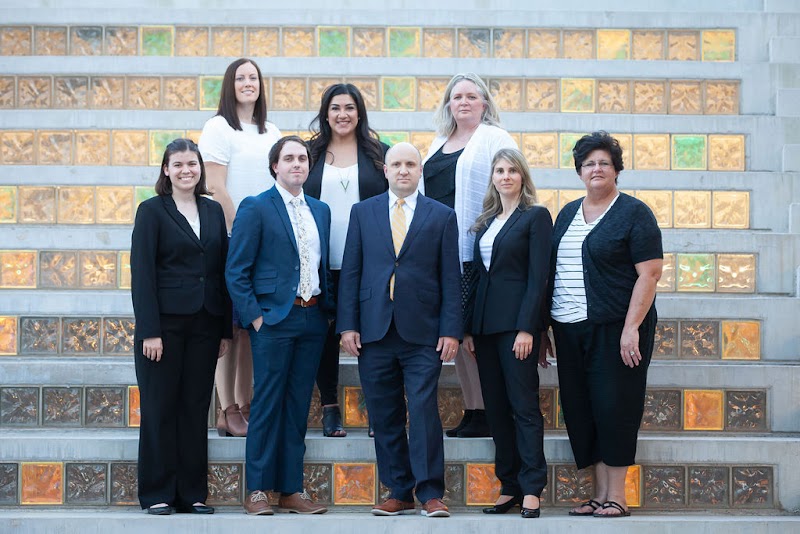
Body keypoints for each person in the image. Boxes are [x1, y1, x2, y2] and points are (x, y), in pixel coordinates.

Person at [337, 142, 462, 518]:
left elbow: (450, 277)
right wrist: (348, 325)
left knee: (423, 410)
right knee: (383, 413)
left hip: (423, 332)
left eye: (410, 164)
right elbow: (351, 271)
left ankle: (430, 492)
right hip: (374, 330)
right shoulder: (363, 212)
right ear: (386, 170)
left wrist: (451, 330)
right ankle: (399, 490)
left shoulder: (442, 215)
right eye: (397, 164)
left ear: (420, 171)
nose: (403, 170)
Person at [542, 131, 663, 518]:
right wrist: (544, 326)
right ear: (579, 171)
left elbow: (650, 274)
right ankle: (598, 495)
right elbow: (552, 272)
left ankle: (617, 496)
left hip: (615, 329)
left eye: (604, 163)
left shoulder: (634, 213)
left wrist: (631, 328)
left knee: (615, 408)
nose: (596, 169)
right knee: (581, 410)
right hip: (568, 329)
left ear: (616, 170)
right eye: (589, 163)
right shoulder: (566, 214)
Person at [225, 136, 332, 516]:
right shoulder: (256, 207)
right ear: (275, 166)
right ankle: (257, 490)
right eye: (289, 158)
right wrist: (256, 317)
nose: (296, 164)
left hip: (312, 317)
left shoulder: (320, 210)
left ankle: (291, 489)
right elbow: (236, 270)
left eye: (302, 158)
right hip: (272, 320)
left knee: (298, 404)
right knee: (268, 403)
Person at [131, 138, 232, 515]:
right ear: (166, 170)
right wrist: (150, 331)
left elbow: (220, 271)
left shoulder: (212, 210)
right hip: (164, 327)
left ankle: (191, 494)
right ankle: (157, 492)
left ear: (200, 168)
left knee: (194, 407)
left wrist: (224, 329)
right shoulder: (151, 211)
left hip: (205, 323)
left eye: (192, 164)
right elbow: (142, 273)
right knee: (160, 407)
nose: (186, 170)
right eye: (178, 164)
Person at [421, 72, 517, 438]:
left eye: (471, 96)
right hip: (439, 251)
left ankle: (490, 409)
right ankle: (474, 408)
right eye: (457, 96)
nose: (463, 102)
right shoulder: (437, 142)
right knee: (455, 334)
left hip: (474, 251)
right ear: (448, 104)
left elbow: (513, 185)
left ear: (484, 103)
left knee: (473, 336)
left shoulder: (495, 137)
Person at [462, 148, 552, 518]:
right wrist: (469, 328)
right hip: (485, 328)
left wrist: (528, 328)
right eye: (499, 170)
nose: (505, 176)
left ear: (522, 176)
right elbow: (476, 277)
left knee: (523, 407)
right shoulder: (486, 221)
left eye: (512, 170)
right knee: (496, 409)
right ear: (493, 178)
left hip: (517, 329)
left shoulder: (536, 217)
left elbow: (538, 277)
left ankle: (532, 488)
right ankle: (510, 485)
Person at [199, 57, 281, 438]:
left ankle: (244, 405)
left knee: (250, 326)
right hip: (233, 238)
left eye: (254, 77)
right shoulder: (218, 127)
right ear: (229, 85)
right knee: (229, 329)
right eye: (241, 78)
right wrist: (242, 231)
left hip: (266, 240)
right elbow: (215, 186)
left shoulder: (271, 131)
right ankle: (226, 406)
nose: (248, 83)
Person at [304, 83, 389, 438]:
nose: (343, 114)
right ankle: (330, 408)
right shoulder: (309, 153)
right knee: (324, 336)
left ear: (359, 113)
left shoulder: (378, 153)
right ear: (326, 114)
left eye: (350, 108)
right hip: (319, 261)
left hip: (368, 261)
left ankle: (376, 408)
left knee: (370, 334)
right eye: (336, 108)